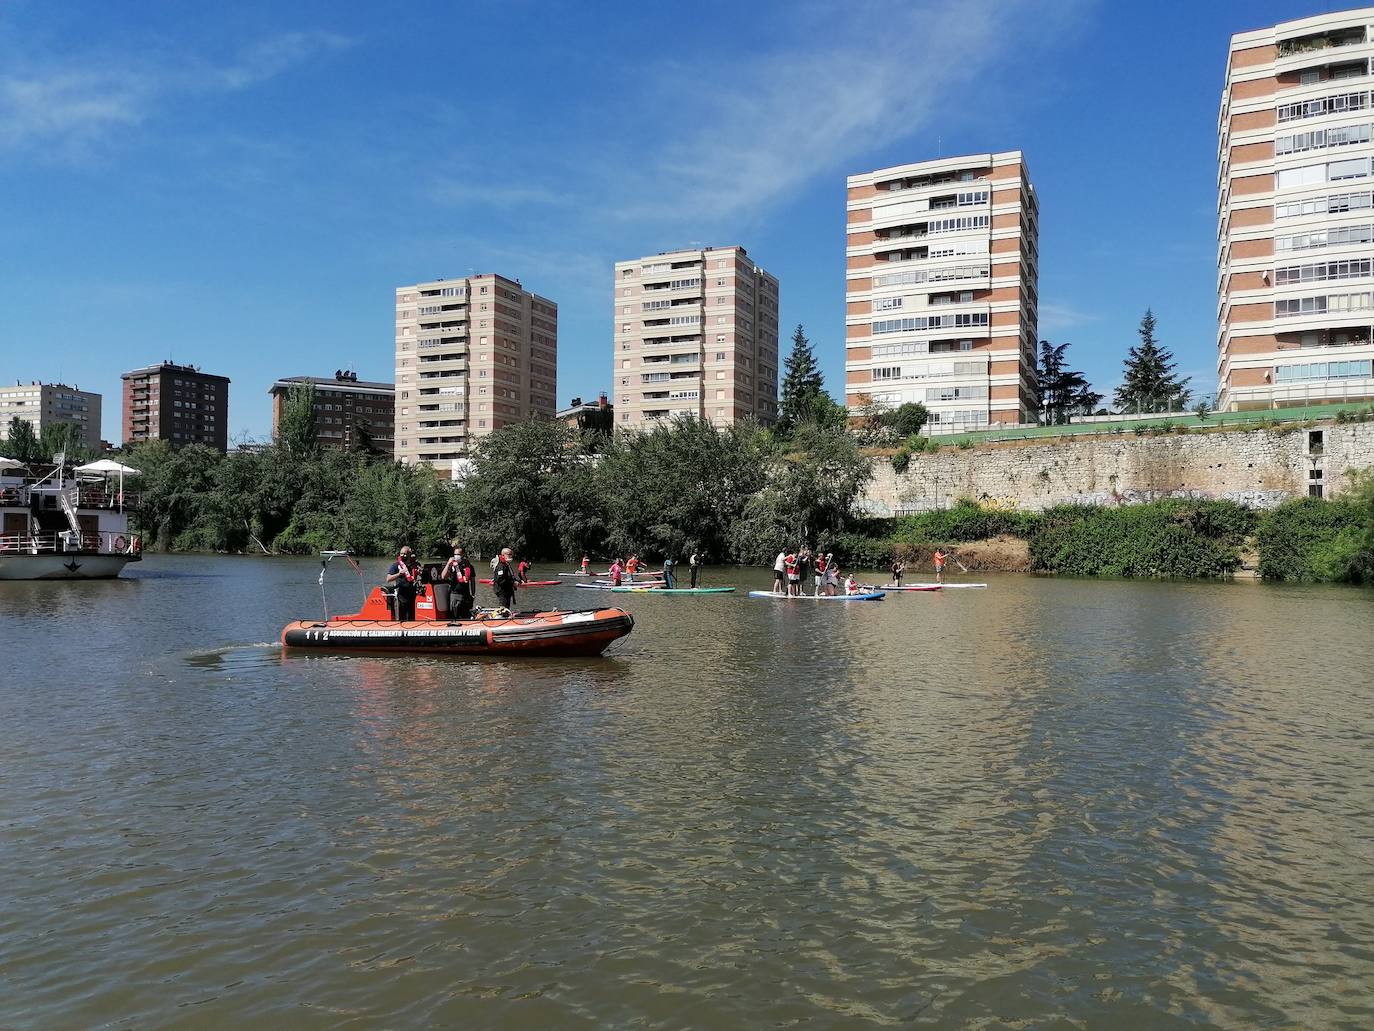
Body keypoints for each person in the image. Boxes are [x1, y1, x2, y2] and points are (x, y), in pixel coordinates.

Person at [385, 546, 422, 621]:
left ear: (410, 554)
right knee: (402, 618)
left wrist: (420, 572)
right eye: (401, 553)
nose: (403, 555)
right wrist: (399, 574)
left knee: (411, 618)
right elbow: (388, 579)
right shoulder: (396, 565)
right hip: (401, 595)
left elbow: (421, 576)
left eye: (405, 554)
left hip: (413, 594)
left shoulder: (415, 564)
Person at [441, 544, 476, 619]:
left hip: (466, 595)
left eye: (458, 554)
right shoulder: (452, 566)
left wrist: (473, 594)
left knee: (466, 616)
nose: (456, 556)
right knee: (455, 615)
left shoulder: (469, 566)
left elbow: (472, 581)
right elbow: (443, 576)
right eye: (455, 554)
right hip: (455, 594)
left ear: (463, 555)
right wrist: (448, 564)